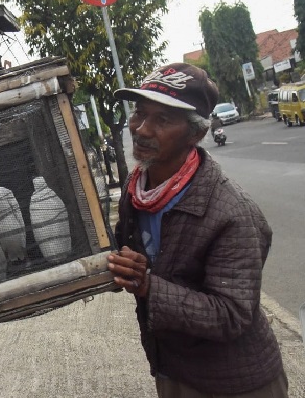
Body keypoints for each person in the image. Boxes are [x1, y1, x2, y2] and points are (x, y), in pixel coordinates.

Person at [107, 63, 286, 397]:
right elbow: (126, 248)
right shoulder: (136, 188)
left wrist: (147, 285)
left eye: (162, 119)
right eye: (140, 113)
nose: (142, 129)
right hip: (173, 369)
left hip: (234, 383)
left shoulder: (232, 212)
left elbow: (231, 315)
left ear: (195, 134)